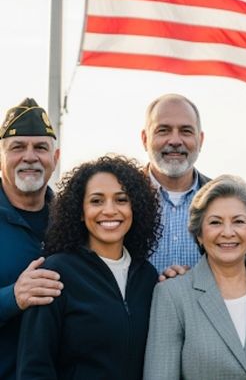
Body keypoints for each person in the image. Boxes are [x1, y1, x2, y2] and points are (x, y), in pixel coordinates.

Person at [16, 155, 161, 379]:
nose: (110, 210)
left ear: (135, 208)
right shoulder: (54, 274)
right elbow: (35, 368)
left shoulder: (148, 276)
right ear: (81, 213)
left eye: (121, 200)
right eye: (96, 201)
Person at [144, 175, 246, 380]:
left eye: (238, 221)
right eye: (215, 222)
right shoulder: (172, 295)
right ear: (199, 234)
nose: (227, 232)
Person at [0, 98, 62, 380]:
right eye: (17, 147)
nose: (29, 156)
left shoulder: (74, 221)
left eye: (40, 148)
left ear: (55, 157)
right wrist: (12, 297)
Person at [141, 94, 211, 278]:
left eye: (186, 131)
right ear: (144, 139)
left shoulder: (221, 200)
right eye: (163, 130)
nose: (175, 141)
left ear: (200, 140)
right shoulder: (120, 200)